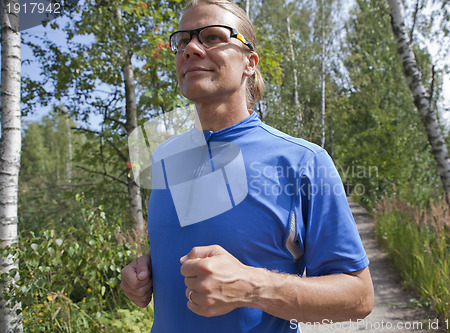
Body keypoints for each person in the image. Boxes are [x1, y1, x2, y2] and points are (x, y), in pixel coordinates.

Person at [120, 0, 374, 332]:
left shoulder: (303, 162)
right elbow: (187, 245)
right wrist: (145, 272)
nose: (192, 48)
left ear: (249, 62)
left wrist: (251, 287)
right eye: (182, 40)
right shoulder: (164, 158)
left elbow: (360, 297)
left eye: (212, 37)